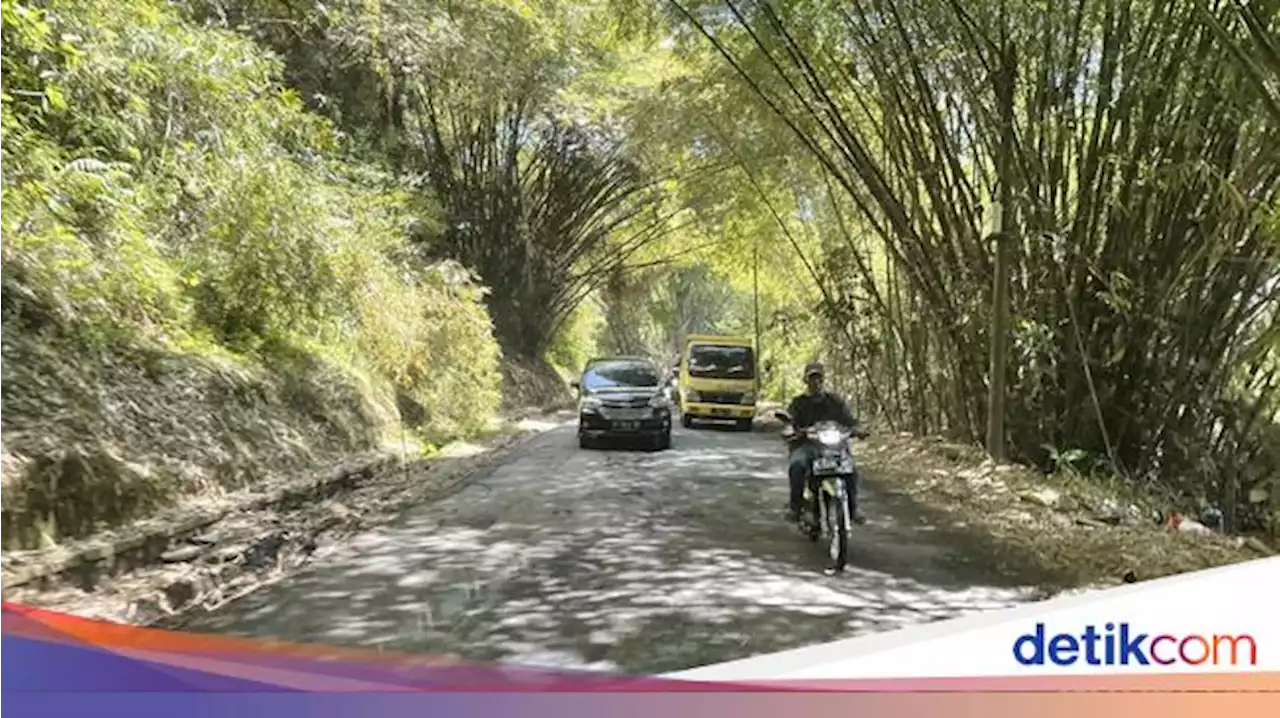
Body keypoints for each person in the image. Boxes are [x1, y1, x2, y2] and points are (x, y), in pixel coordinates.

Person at [782, 362, 867, 524]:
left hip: (834, 446)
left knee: (851, 469)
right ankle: (796, 506)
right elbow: (789, 422)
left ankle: (853, 508)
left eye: (818, 378)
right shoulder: (799, 403)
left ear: (823, 379)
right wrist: (791, 430)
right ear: (806, 381)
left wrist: (857, 429)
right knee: (797, 465)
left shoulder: (834, 401)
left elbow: (849, 420)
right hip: (807, 445)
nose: (816, 382)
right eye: (812, 378)